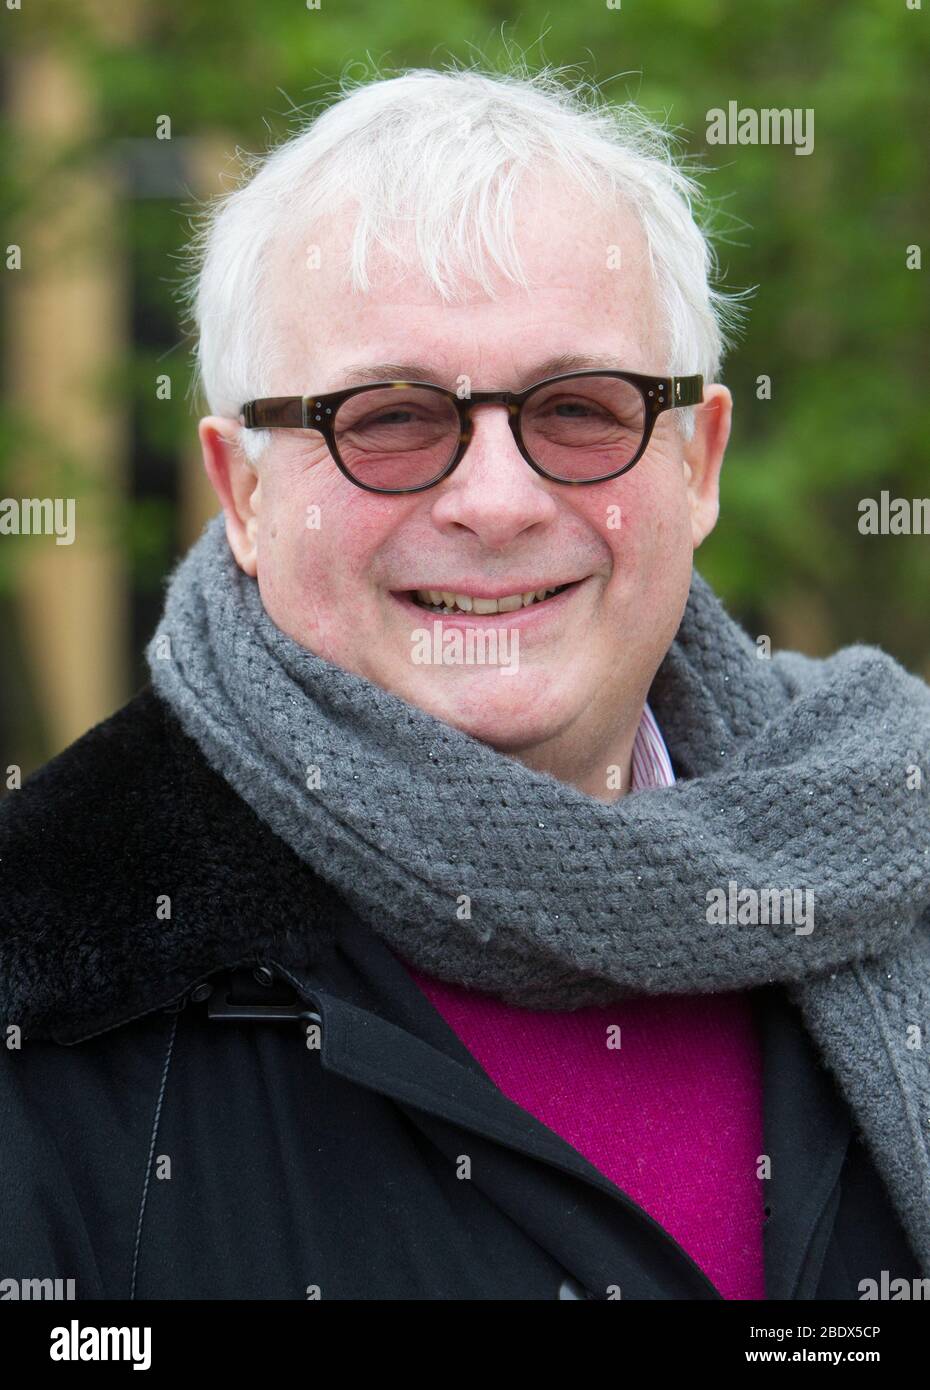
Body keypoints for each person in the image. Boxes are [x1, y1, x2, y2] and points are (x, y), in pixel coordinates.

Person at [2, 63, 928, 1302]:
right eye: (387, 419)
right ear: (245, 493)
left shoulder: (889, 843)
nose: (495, 501)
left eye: (582, 409)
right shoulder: (52, 1001)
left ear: (699, 463)